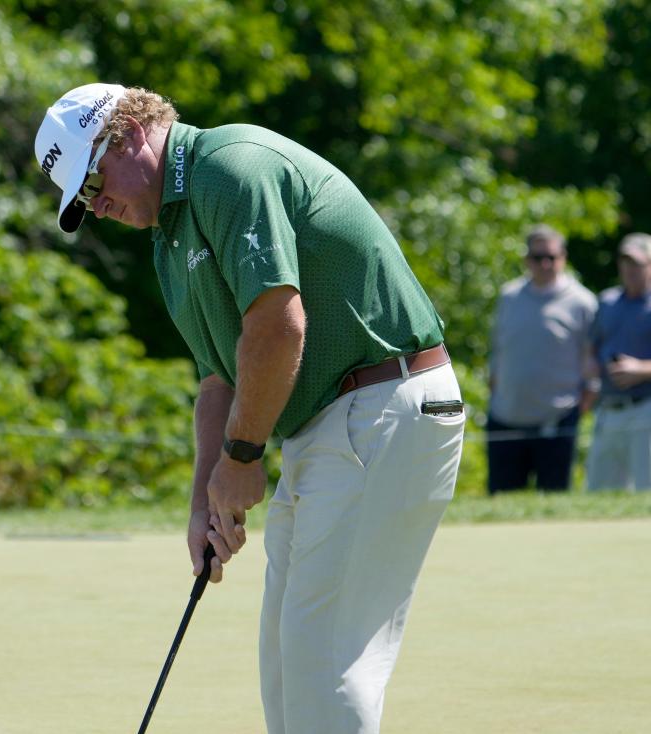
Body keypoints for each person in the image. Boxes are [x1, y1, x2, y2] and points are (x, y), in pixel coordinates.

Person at [34, 84, 466, 734]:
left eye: (93, 186)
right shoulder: (168, 238)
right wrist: (205, 501)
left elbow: (277, 324)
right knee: (288, 664)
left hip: (379, 405)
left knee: (324, 664)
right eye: (85, 201)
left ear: (125, 134)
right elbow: (217, 378)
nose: (97, 207)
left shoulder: (227, 166)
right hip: (331, 426)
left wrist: (241, 457)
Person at [486, 225, 598, 492]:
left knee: (554, 502)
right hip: (506, 417)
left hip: (557, 420)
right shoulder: (509, 296)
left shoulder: (583, 302)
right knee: (501, 501)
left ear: (564, 258)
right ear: (527, 260)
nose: (545, 263)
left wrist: (581, 406)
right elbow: (498, 351)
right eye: (538, 257)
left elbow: (591, 362)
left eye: (552, 257)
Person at [586, 233, 651, 491]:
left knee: (647, 493)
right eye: (625, 262)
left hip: (645, 408)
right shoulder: (607, 301)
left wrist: (642, 369)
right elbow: (592, 347)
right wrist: (590, 364)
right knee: (599, 493)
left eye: (637, 263)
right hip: (608, 410)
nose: (629, 269)